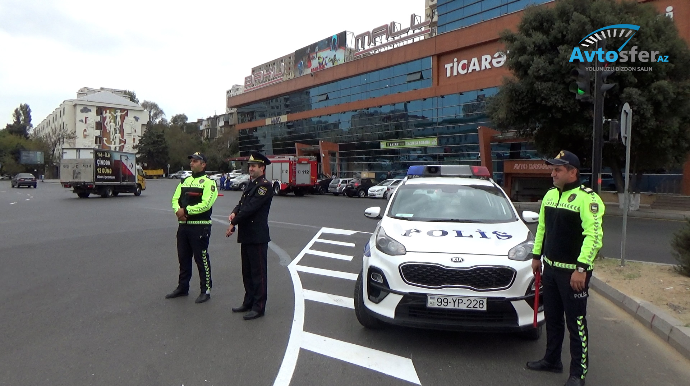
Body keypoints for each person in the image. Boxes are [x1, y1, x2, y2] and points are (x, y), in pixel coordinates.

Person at [527, 150, 605, 386]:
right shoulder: (550, 195)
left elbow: (594, 236)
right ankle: (552, 361)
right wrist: (536, 256)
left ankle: (578, 374)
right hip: (549, 269)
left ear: (572, 172)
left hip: (573, 274)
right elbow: (542, 228)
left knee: (576, 322)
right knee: (552, 318)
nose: (553, 173)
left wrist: (582, 268)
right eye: (552, 169)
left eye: (557, 170)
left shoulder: (588, 198)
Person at [226, 152, 274, 320]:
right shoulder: (250, 184)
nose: (251, 168)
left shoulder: (265, 186)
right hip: (247, 235)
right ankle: (248, 301)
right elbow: (242, 204)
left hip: (257, 236)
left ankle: (259, 306)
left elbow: (251, 208)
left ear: (262, 168)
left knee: (258, 273)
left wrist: (234, 223)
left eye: (254, 166)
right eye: (250, 165)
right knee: (247, 272)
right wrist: (233, 212)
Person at [166, 152, 219, 303]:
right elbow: (175, 199)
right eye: (191, 161)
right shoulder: (184, 181)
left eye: (195, 161)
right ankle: (183, 287)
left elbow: (206, 204)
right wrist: (178, 211)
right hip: (183, 226)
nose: (192, 163)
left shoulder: (209, 183)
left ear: (203, 164)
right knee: (183, 258)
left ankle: (206, 289)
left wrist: (186, 211)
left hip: (200, 227)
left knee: (201, 258)